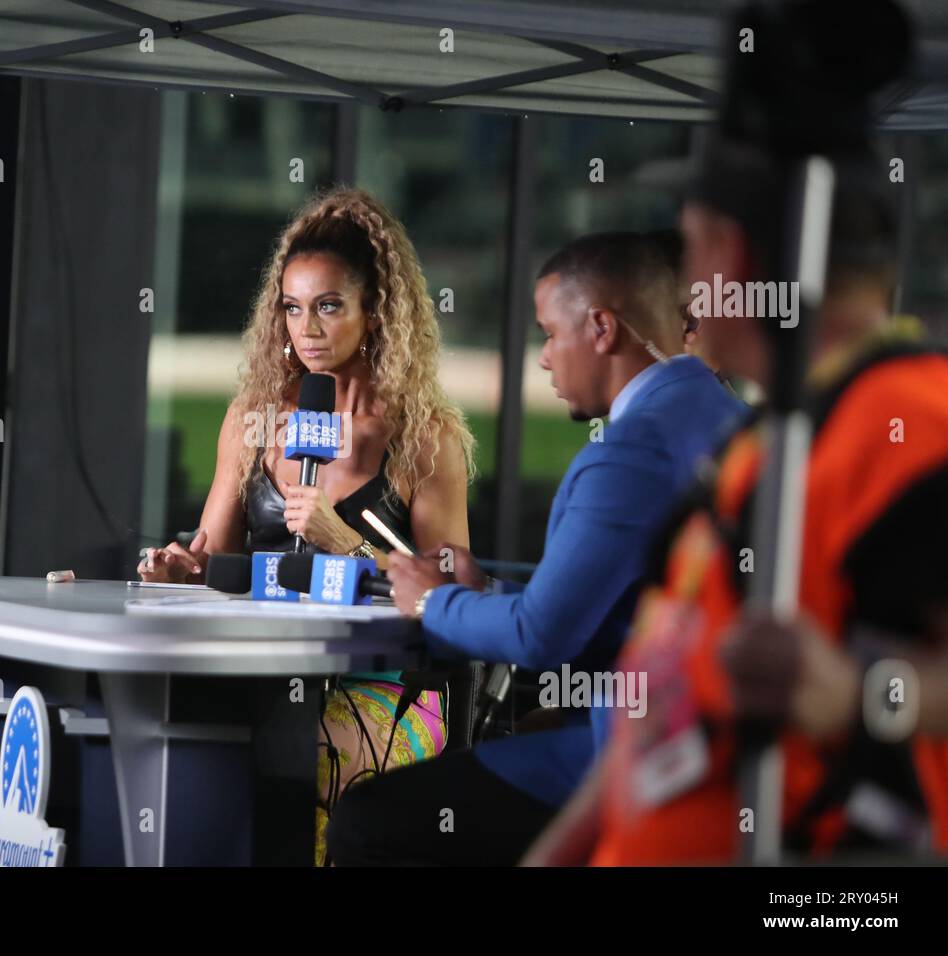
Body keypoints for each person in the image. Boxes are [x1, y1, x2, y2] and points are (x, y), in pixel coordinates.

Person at [525, 144, 948, 867]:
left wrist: (861, 694)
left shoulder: (910, 422)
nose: (684, 286)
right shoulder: (765, 439)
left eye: (691, 249)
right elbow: (657, 711)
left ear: (732, 254)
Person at [326, 231, 745, 865]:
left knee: (367, 817)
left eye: (550, 333)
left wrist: (430, 605)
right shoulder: (726, 416)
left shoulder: (629, 452)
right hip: (706, 752)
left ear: (602, 328)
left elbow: (543, 637)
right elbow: (611, 607)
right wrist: (483, 595)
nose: (545, 359)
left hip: (634, 761)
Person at [137, 187, 475, 863]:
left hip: (386, 688)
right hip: (261, 675)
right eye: (292, 307)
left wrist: (347, 544)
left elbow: (456, 590)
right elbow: (215, 553)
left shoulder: (423, 437)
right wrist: (185, 565)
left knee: (293, 758)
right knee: (178, 739)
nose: (307, 328)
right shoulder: (253, 417)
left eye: (328, 306)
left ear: (374, 312)